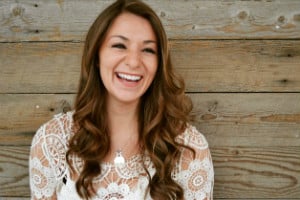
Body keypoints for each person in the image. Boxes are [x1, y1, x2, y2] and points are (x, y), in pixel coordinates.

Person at [29, 0, 214, 199]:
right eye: (119, 45)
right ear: (96, 56)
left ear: (159, 64)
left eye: (148, 50)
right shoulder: (51, 143)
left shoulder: (189, 150)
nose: (134, 61)